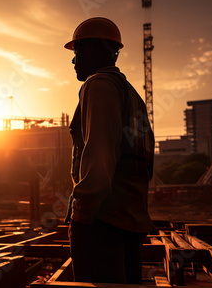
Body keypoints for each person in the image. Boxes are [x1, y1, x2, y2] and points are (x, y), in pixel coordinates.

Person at [63, 17, 155, 284]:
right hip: (130, 218)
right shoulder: (131, 94)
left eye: (77, 51)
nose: (73, 60)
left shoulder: (98, 84)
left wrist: (82, 213)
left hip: (102, 220)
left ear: (92, 49)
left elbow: (101, 156)